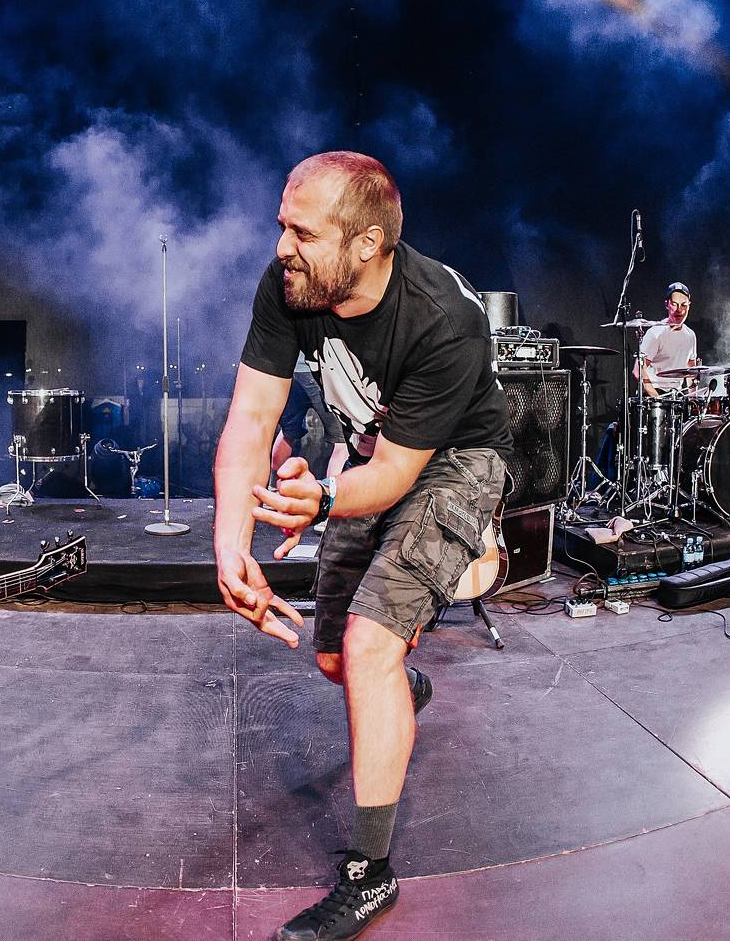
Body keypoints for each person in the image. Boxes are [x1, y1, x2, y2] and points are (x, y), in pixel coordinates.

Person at [214, 151, 512, 941]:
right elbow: (251, 420)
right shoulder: (290, 284)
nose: (282, 246)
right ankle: (397, 689)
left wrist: (320, 497)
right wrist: (230, 548)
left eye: (302, 232)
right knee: (335, 661)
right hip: (370, 455)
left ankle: (369, 874)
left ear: (367, 243)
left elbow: (397, 478)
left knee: (368, 642)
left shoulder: (443, 315)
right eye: (282, 225)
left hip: (455, 461)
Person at [272, 352, 351, 480]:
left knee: (289, 432)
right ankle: (333, 492)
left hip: (291, 371)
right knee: (342, 441)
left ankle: (274, 484)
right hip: (314, 370)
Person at [635, 282, 697, 397]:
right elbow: (638, 370)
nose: (679, 310)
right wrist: (656, 397)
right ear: (666, 304)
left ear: (689, 305)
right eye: (674, 304)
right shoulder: (656, 333)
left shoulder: (690, 335)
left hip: (676, 394)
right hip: (654, 394)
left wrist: (694, 399)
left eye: (684, 305)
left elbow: (691, 370)